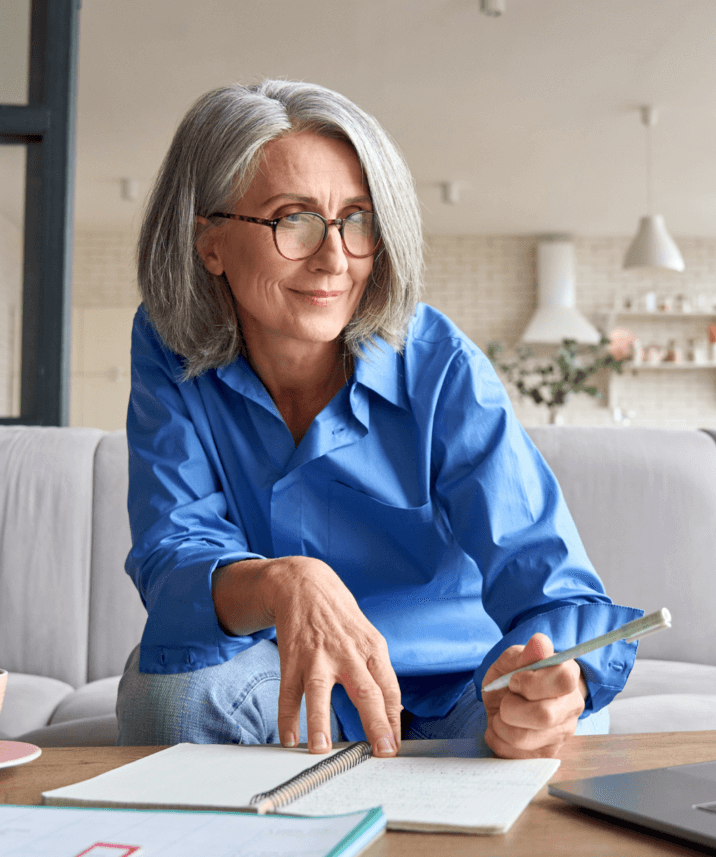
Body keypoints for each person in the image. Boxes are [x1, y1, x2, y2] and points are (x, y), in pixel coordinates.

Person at [117, 79, 641, 759]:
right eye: (293, 219)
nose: (336, 258)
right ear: (209, 241)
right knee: (167, 696)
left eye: (357, 220)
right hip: (281, 685)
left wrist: (556, 679)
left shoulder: (440, 362)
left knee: (560, 732)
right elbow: (174, 551)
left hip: (459, 689)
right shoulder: (168, 345)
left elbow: (548, 581)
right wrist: (282, 581)